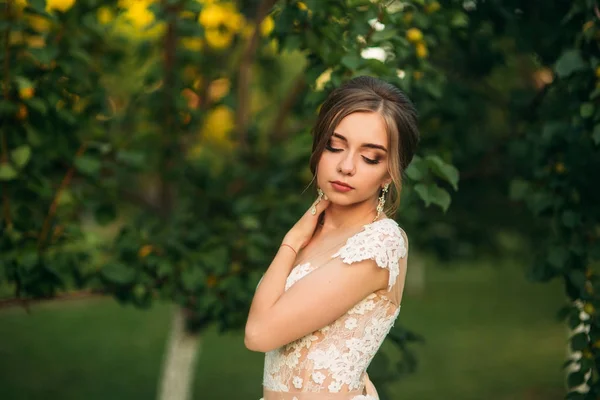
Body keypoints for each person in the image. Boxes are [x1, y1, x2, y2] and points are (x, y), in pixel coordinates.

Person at [245, 76, 419, 400]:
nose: (346, 166)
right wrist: (297, 239)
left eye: (370, 157)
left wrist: (290, 242)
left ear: (389, 173)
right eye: (334, 146)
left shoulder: (380, 244)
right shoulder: (314, 232)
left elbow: (258, 334)